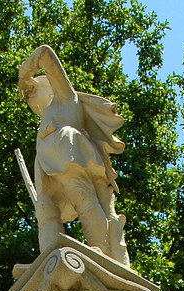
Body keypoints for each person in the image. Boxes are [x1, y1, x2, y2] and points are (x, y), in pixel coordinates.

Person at [18, 44, 129, 267]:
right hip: (48, 163)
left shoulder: (66, 99)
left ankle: (100, 247)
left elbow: (45, 54)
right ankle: (48, 258)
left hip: (68, 152)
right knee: (45, 210)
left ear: (51, 88)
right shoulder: (44, 121)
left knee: (82, 195)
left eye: (35, 88)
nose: (29, 93)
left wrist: (24, 73)